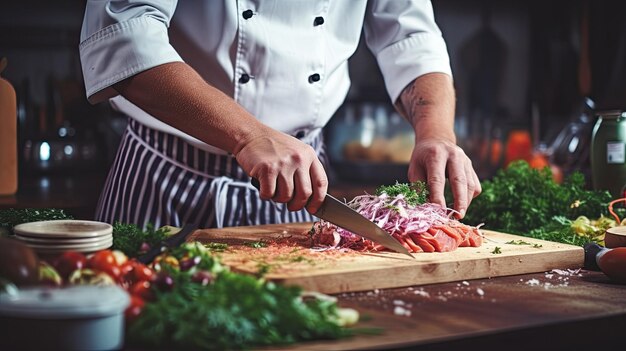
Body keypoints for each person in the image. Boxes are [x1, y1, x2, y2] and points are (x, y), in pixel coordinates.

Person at [79, 0, 481, 229]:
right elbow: (125, 35)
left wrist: (435, 133)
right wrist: (248, 135)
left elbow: (409, 35)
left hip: (300, 187)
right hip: (162, 176)